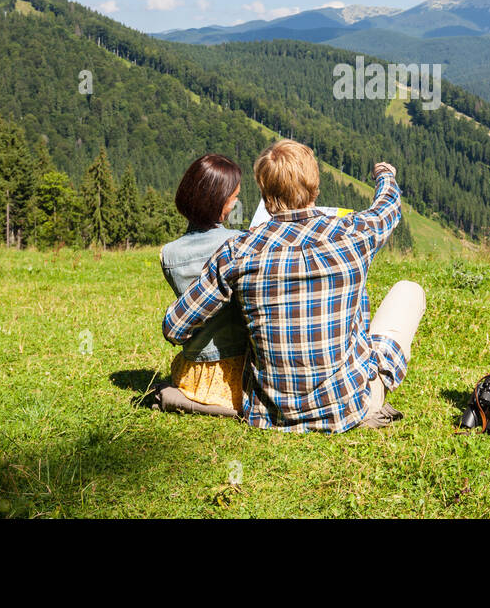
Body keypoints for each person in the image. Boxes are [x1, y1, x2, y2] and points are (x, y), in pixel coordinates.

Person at [162, 139, 425, 432]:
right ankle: (377, 377)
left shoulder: (237, 251)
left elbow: (175, 327)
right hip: (347, 406)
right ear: (315, 188)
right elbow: (388, 208)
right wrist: (385, 174)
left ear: (264, 193)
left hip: (269, 413)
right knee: (409, 290)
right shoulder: (354, 233)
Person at [156, 154, 248, 417]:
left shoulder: (168, 254)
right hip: (240, 370)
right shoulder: (238, 242)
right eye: (234, 197)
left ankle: (178, 398)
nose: (237, 202)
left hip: (194, 375)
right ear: (218, 201)